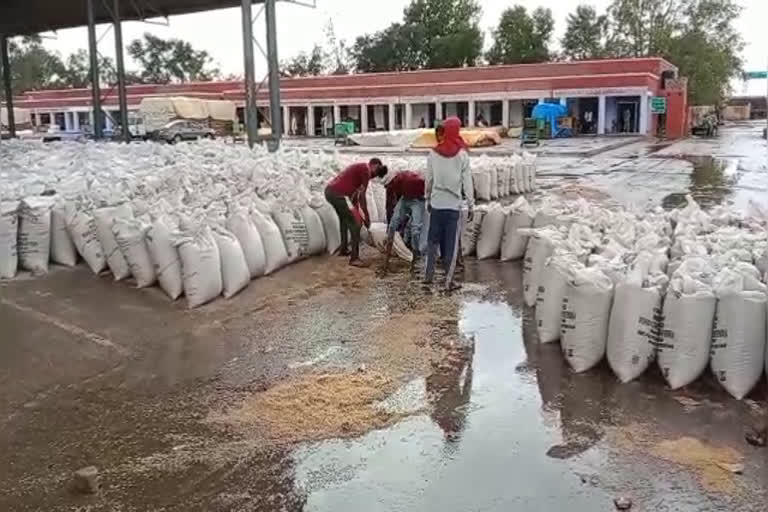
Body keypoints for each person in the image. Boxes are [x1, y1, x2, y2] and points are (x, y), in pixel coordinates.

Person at [424, 117, 474, 291]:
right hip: (453, 206)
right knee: (450, 246)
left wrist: (427, 199)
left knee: (432, 242)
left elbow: (428, 180)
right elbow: (467, 182)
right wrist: (471, 203)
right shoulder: (462, 155)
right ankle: (448, 282)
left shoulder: (432, 153)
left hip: (436, 205)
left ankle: (428, 277)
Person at [325, 158, 388, 267]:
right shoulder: (366, 170)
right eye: (376, 173)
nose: (373, 177)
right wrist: (366, 217)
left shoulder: (360, 169)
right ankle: (354, 258)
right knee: (356, 224)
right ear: (374, 165)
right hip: (339, 195)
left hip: (330, 192)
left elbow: (355, 198)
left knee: (344, 219)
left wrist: (359, 212)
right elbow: (362, 197)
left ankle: (343, 249)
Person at [381, 170, 426, 273]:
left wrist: (394, 225)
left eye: (386, 186)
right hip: (406, 198)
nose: (386, 189)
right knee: (395, 225)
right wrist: (391, 227)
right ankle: (387, 261)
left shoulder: (397, 183)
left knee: (415, 230)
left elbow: (390, 206)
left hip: (419, 200)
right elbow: (392, 206)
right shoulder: (398, 181)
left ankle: (415, 260)